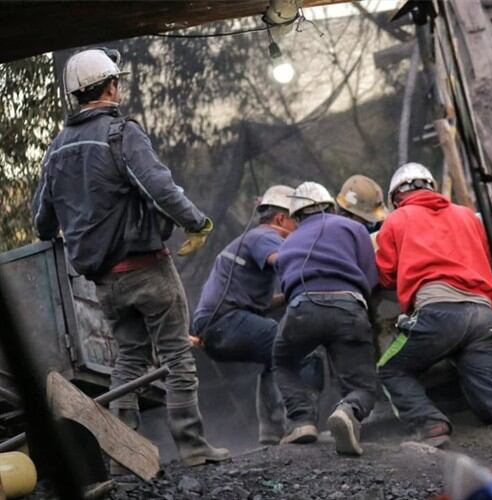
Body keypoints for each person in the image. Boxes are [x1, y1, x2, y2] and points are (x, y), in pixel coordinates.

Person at [32, 48, 229, 468]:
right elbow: (158, 186)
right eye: (116, 81)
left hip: (104, 282)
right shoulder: (120, 134)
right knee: (176, 355)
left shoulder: (56, 150)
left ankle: (124, 454)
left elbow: (42, 222)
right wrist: (196, 223)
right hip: (147, 269)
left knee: (129, 360)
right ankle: (193, 447)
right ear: (110, 86)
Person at [375, 162, 492, 449]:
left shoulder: (396, 220)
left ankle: (430, 424)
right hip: (484, 317)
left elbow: (386, 275)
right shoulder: (467, 215)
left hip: (438, 314)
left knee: (390, 368)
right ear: (431, 187)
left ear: (396, 197)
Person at [273, 182, 378, 456]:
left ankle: (301, 421)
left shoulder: (287, 243)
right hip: (348, 307)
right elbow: (370, 276)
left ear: (296, 216)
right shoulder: (353, 228)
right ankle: (348, 410)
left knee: (283, 361)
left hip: (302, 308)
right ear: (331, 207)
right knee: (364, 385)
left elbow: (285, 284)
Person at [191, 185, 300, 445]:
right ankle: (299, 422)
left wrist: (288, 296)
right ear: (281, 219)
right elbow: (286, 262)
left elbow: (258, 305)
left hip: (218, 325)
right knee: (295, 341)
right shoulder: (265, 236)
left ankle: (272, 429)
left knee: (274, 352)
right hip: (226, 322)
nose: (301, 227)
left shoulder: (250, 240)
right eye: (298, 220)